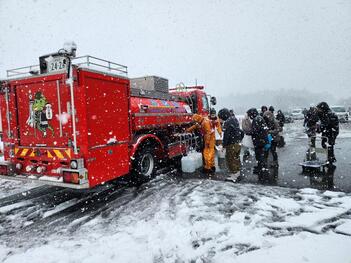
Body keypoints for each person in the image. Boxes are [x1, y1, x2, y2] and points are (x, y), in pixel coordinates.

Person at [218, 108, 244, 182]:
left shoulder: (228, 122)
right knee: (236, 158)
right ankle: (237, 173)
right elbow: (240, 131)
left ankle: (234, 175)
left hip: (232, 144)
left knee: (231, 159)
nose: (220, 119)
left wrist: (223, 145)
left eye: (220, 117)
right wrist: (239, 140)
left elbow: (226, 135)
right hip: (237, 143)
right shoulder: (234, 119)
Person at [247, 108, 269, 174]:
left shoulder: (256, 119)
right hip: (262, 140)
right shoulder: (259, 117)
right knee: (260, 154)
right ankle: (261, 166)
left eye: (250, 115)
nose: (250, 116)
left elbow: (255, 131)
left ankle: (260, 168)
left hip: (259, 140)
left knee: (259, 154)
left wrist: (248, 133)